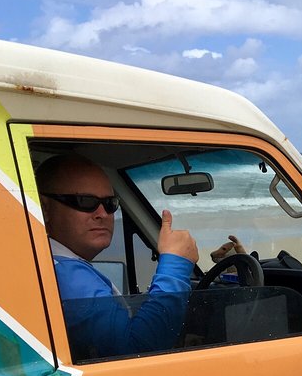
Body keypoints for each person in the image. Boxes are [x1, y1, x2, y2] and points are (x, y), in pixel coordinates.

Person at [36, 153, 199, 360]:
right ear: (45, 209)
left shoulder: (50, 262)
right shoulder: (67, 275)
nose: (102, 213)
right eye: (85, 201)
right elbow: (136, 354)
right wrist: (175, 267)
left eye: (110, 203)